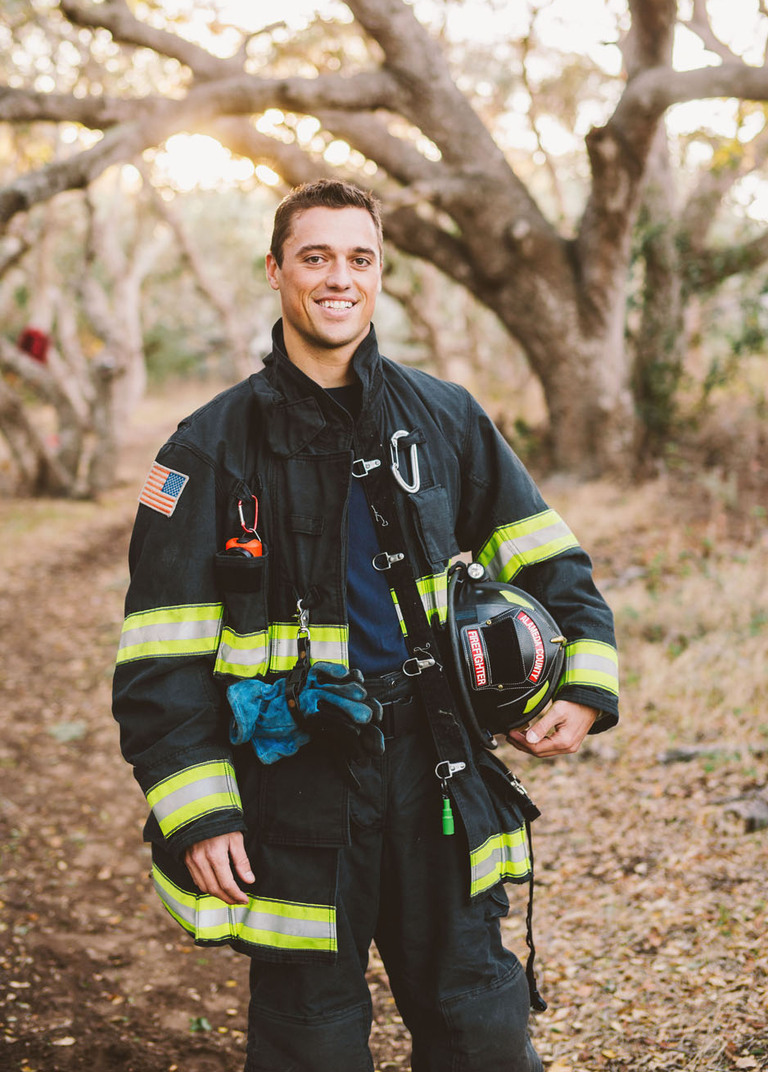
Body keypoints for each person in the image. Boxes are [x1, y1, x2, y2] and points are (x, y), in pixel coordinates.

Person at [113, 179, 619, 1072]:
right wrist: (198, 812)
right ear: (276, 272)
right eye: (315, 257)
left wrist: (581, 685)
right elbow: (159, 662)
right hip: (292, 791)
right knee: (310, 1038)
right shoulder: (207, 450)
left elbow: (552, 564)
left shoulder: (447, 417)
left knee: (481, 1027)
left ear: (379, 275)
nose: (338, 277)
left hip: (439, 774)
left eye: (359, 258)